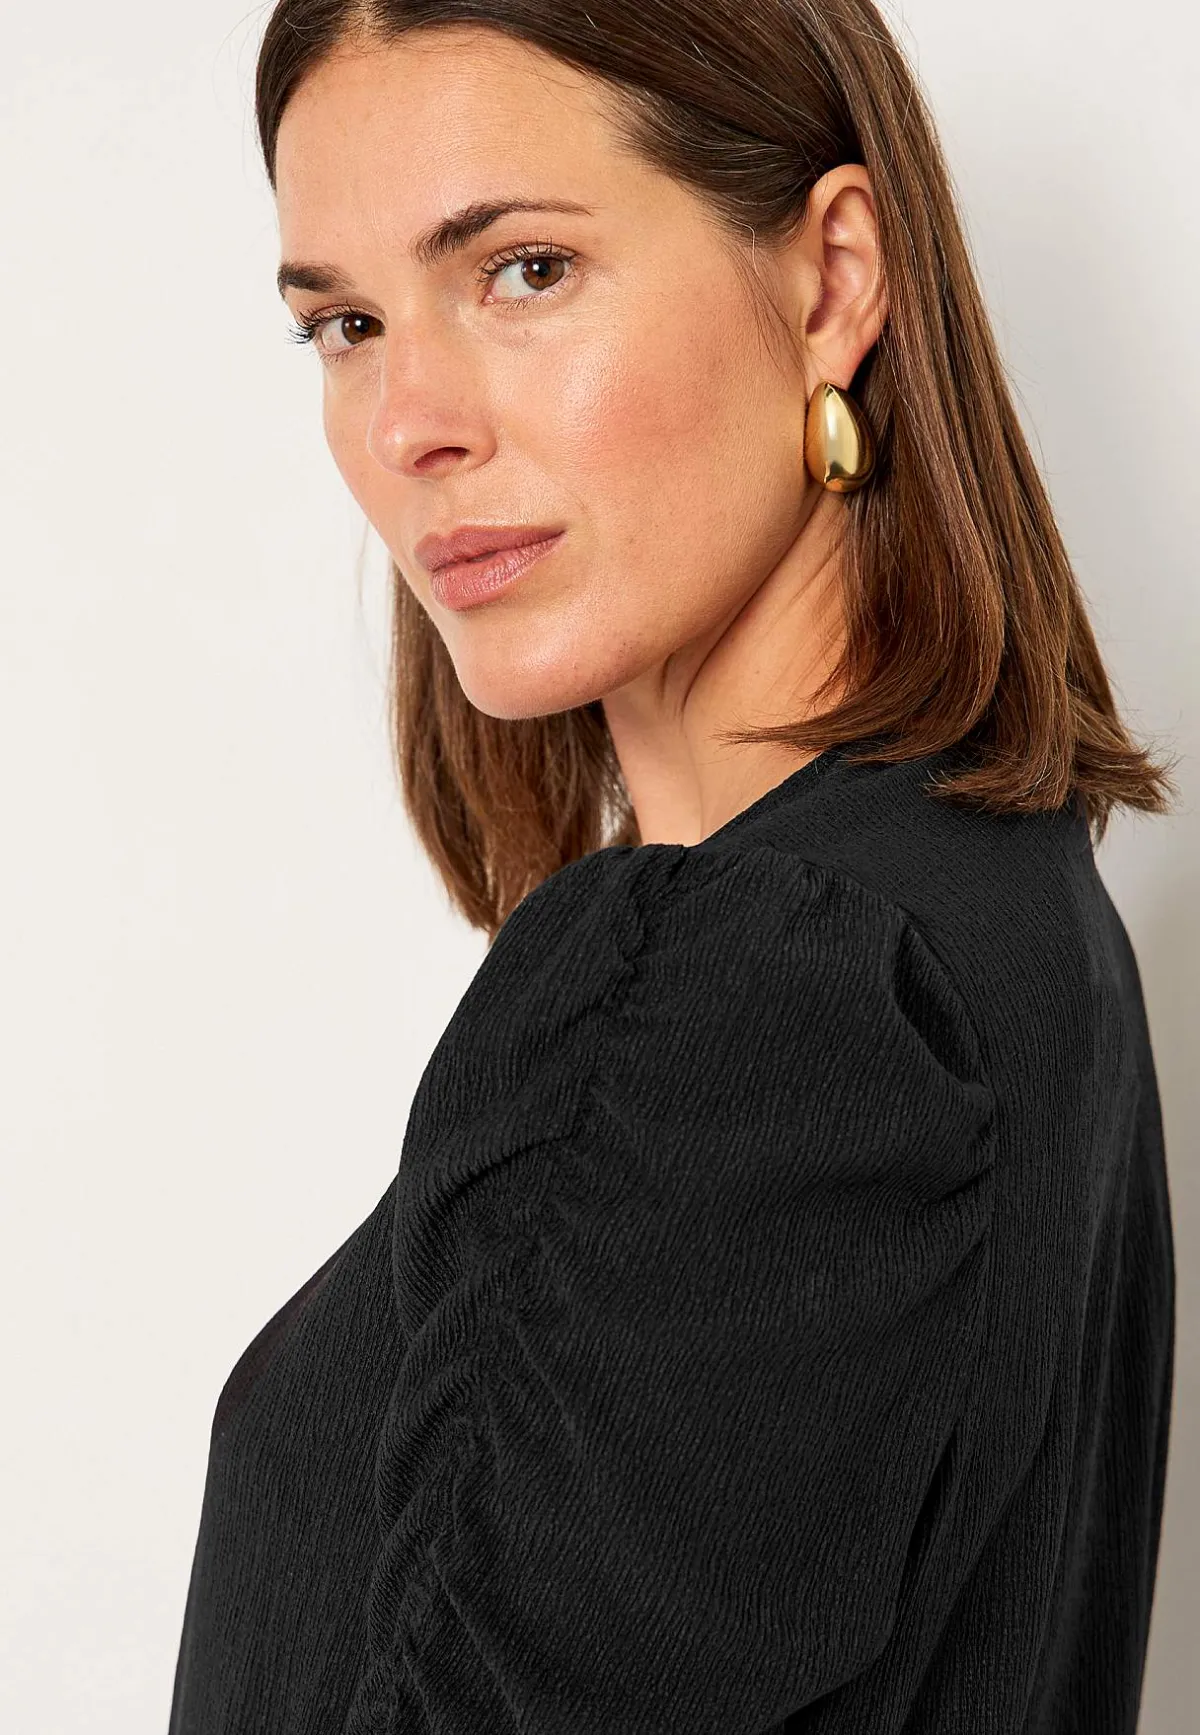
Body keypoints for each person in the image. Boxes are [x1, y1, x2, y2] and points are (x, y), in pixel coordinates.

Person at [168, 3, 1180, 1731]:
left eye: (525, 271)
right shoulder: (984, 908)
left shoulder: (785, 986)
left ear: (832, 280)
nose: (408, 420)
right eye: (345, 322)